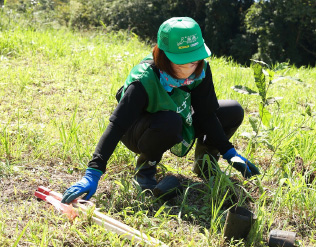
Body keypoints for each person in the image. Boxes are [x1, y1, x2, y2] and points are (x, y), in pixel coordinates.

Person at [61, 17, 260, 204]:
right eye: (184, 61)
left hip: (179, 116)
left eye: (196, 59)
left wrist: (229, 151)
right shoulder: (143, 80)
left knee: (232, 110)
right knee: (169, 122)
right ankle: (145, 171)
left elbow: (207, 115)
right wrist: (93, 172)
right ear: (164, 56)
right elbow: (117, 125)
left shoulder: (199, 71)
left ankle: (205, 163)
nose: (193, 67)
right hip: (140, 130)